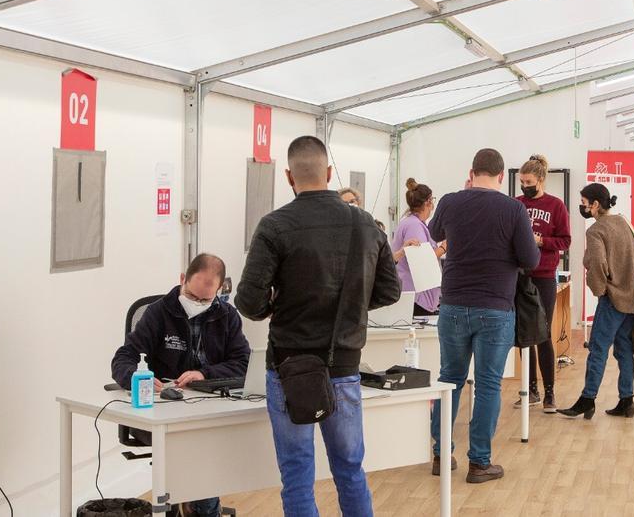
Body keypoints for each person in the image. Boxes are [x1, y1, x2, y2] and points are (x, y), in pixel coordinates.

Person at [236, 135, 401, 516]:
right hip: (343, 365)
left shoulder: (274, 225)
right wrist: (353, 304)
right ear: (328, 173)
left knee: (296, 475)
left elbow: (248, 302)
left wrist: (276, 304)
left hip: (289, 367)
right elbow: (390, 290)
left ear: (289, 177)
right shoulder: (364, 224)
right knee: (350, 471)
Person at [428, 148, 540, 483]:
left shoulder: (450, 200)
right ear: (503, 177)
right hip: (495, 307)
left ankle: (440, 454)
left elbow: (434, 234)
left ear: (472, 172)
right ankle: (479, 463)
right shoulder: (513, 209)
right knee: (489, 384)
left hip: (453, 305)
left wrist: (462, 195)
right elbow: (530, 260)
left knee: (450, 379)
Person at [111, 253, 249, 517]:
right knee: (199, 445)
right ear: (183, 279)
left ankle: (196, 506)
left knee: (209, 440)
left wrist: (204, 374)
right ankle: (201, 510)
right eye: (193, 295)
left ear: (219, 291)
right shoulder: (157, 313)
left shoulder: (227, 316)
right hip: (163, 411)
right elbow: (123, 358)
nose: (197, 303)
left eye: (205, 299)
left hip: (210, 409)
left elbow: (242, 362)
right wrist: (137, 377)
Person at [559, 183, 634, 420]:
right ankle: (626, 401)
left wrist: (600, 291)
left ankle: (588, 399)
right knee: (624, 350)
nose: (582, 206)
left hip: (612, 300)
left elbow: (597, 263)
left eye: (584, 202)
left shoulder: (596, 231)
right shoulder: (624, 222)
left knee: (598, 350)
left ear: (595, 204)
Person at [514, 155, 571, 413]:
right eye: (522, 181)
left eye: (528, 181)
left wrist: (542, 241)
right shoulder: (515, 204)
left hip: (545, 276)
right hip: (519, 275)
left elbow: (565, 241)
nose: (524, 185)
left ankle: (549, 393)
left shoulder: (556, 206)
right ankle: (530, 390)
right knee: (523, 334)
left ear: (540, 179)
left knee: (543, 333)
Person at [391, 178, 445, 316]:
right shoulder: (413, 225)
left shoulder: (413, 223)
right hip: (416, 298)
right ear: (428, 202)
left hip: (417, 297)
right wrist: (444, 247)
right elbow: (421, 260)